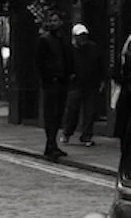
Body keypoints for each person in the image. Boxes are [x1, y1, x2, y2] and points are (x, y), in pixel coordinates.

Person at [35, 17, 73, 160]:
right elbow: (39, 62)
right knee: (51, 114)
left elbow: (67, 58)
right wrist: (49, 77)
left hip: (62, 81)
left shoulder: (63, 40)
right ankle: (50, 144)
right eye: (53, 21)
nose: (56, 23)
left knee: (58, 114)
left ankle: (52, 145)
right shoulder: (44, 40)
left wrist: (69, 74)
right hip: (51, 82)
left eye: (58, 20)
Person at [62, 23, 105, 146]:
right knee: (72, 110)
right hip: (75, 84)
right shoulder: (70, 49)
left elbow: (100, 64)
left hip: (92, 84)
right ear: (74, 37)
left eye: (84, 36)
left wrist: (102, 81)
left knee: (90, 111)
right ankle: (67, 133)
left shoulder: (93, 48)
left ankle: (86, 136)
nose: (82, 38)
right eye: (80, 36)